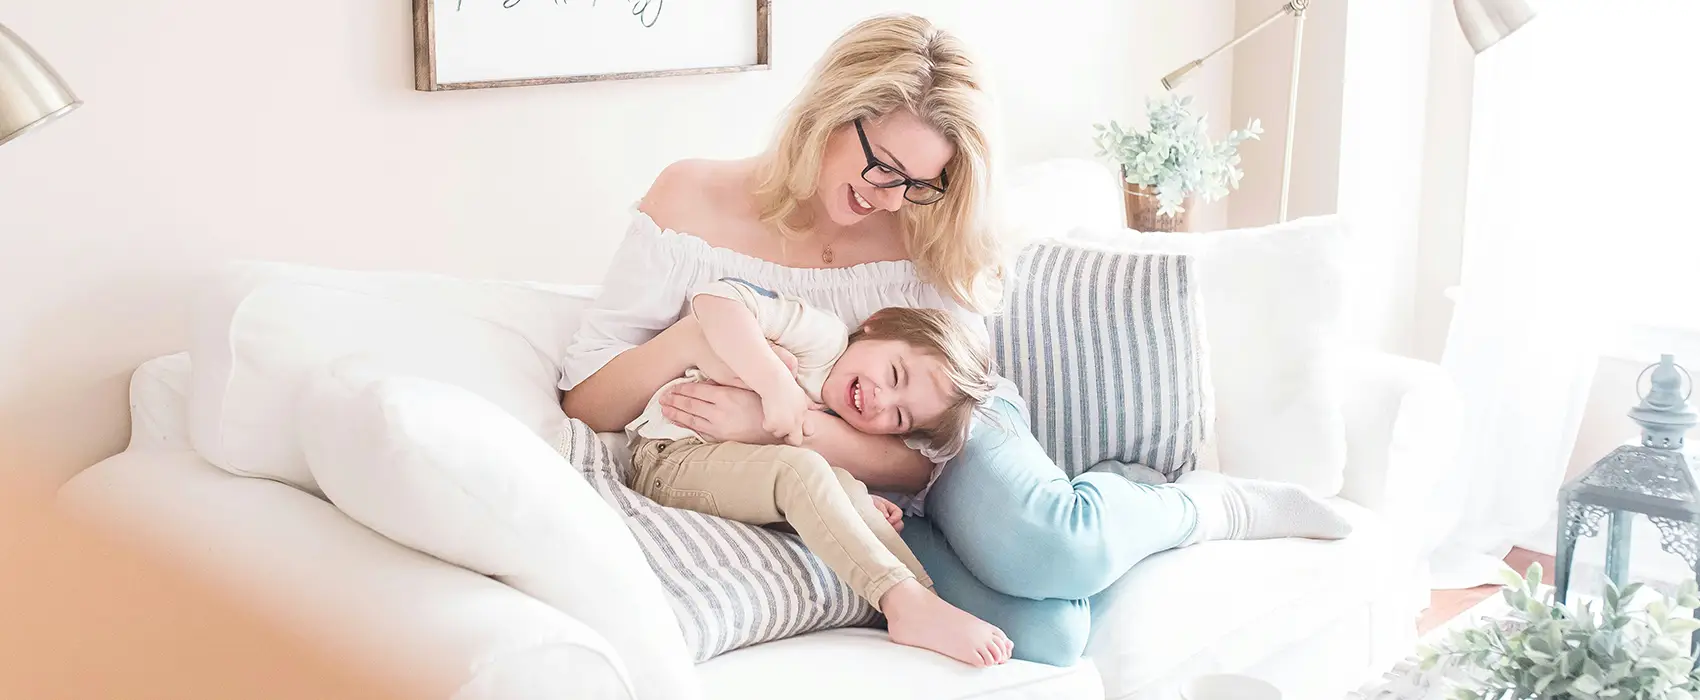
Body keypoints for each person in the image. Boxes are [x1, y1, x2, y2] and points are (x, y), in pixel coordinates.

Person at [559, 12, 1352, 667]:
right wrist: (700, 340)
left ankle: (1197, 508)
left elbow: (924, 447)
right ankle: (1105, 501)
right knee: (1047, 638)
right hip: (837, 474)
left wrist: (792, 423)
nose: (887, 198)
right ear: (830, 113)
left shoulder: (921, 226)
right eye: (881, 166)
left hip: (944, 420)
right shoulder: (692, 199)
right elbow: (586, 400)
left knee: (1054, 549)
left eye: (916, 183)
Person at [623, 276, 1009, 666]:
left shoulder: (840, 418)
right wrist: (774, 384)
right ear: (877, 324)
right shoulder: (821, 339)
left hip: (728, 476)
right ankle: (901, 601)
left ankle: (921, 600)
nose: (881, 400)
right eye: (895, 375)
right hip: (668, 456)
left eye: (899, 416)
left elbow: (784, 475)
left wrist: (851, 501)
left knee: (843, 486)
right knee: (802, 468)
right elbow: (715, 298)